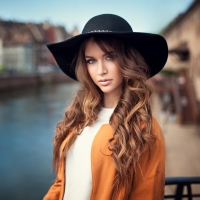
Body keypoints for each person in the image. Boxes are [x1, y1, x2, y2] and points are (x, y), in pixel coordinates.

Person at [43, 14, 168, 200]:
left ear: (127, 60)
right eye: (91, 60)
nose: (100, 70)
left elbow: (147, 195)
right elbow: (63, 182)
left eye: (110, 57)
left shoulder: (144, 129)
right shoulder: (77, 116)